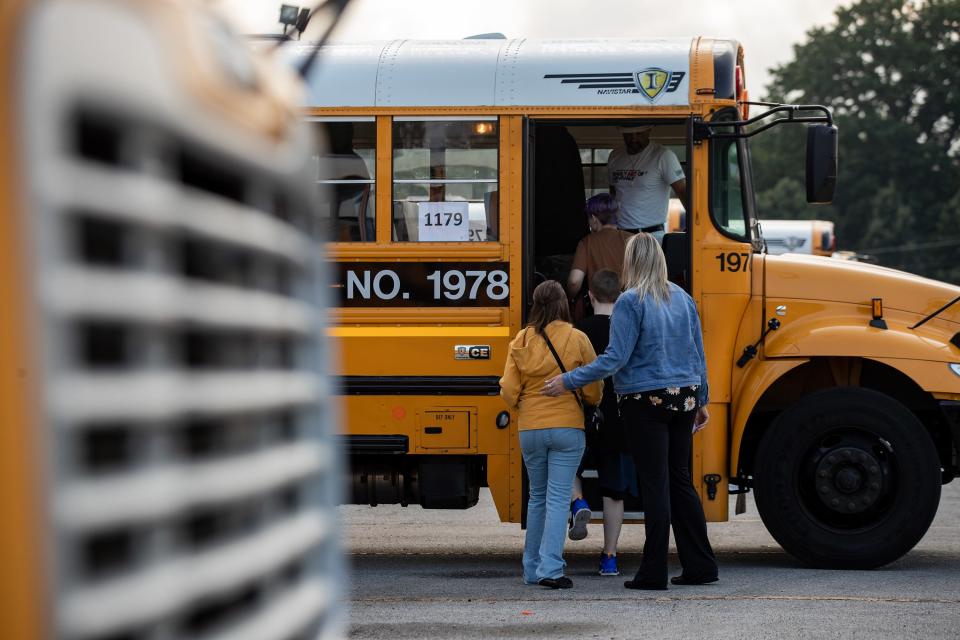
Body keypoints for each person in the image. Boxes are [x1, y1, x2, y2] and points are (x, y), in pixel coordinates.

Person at [542, 233, 718, 591]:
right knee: (680, 480)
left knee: (655, 484)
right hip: (683, 397)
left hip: (645, 401)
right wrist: (702, 400)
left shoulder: (630, 301)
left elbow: (615, 358)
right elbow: (698, 353)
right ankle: (701, 565)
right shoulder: (682, 298)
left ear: (632, 262)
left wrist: (569, 380)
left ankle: (653, 572)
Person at [499, 281, 603, 590]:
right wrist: (591, 402)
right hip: (567, 428)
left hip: (530, 428)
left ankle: (531, 569)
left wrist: (525, 405)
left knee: (537, 497)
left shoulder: (521, 339)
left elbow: (508, 389)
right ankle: (552, 569)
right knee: (558, 497)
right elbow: (593, 387)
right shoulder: (577, 337)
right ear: (562, 304)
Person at [569, 269, 639, 577]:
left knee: (569, 468)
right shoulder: (628, 329)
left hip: (582, 416)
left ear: (590, 295)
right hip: (619, 419)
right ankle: (609, 557)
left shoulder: (578, 331)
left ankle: (578, 502)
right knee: (614, 491)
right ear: (621, 294)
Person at [607, 125, 686, 242]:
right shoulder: (615, 155)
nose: (634, 138)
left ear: (648, 131)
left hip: (651, 235)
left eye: (638, 134)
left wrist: (694, 226)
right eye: (629, 134)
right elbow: (614, 193)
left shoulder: (663, 155)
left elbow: (683, 191)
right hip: (620, 234)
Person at [565, 194, 634, 303]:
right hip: (631, 306)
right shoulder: (633, 239)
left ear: (593, 218)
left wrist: (569, 299)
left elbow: (575, 281)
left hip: (600, 309)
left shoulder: (587, 242)